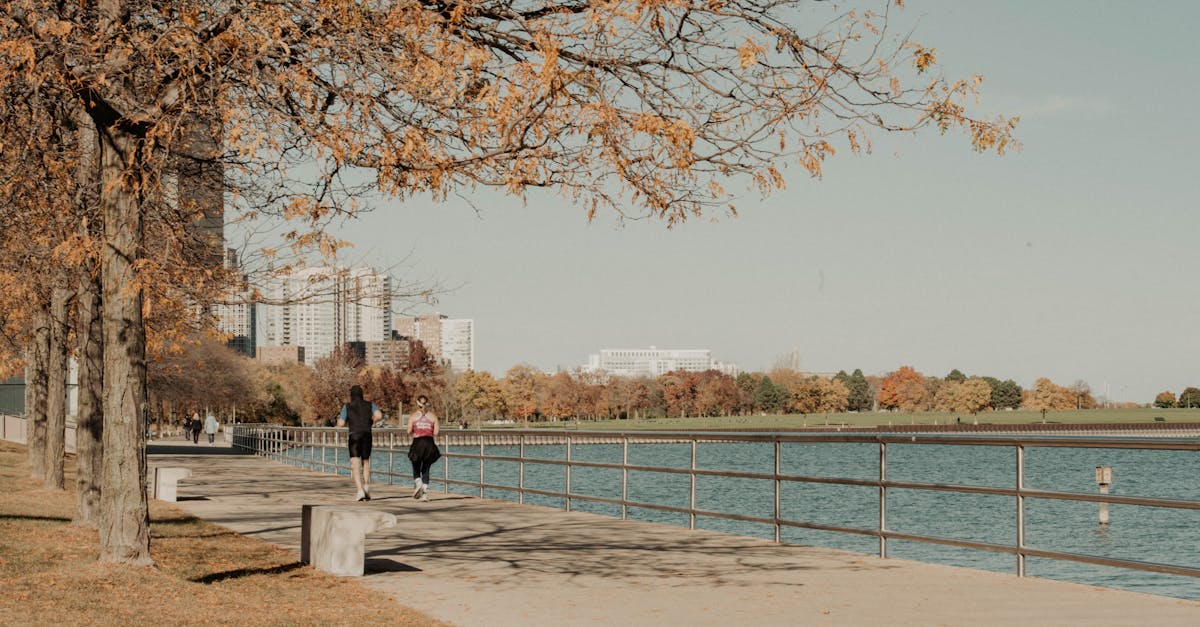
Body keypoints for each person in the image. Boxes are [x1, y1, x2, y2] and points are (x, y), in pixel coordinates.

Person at [337, 385, 382, 501]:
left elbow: (341, 423)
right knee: (365, 461)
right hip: (367, 434)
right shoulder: (369, 404)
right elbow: (379, 415)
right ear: (362, 394)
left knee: (355, 463)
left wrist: (346, 420)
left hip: (354, 436)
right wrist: (372, 420)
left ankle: (360, 490)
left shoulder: (347, 406)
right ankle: (367, 487)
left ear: (351, 395)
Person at [406, 395, 441, 502]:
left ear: (417, 403)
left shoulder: (413, 416)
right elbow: (436, 432)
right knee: (426, 468)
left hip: (418, 442)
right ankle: (425, 493)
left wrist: (415, 432)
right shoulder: (433, 417)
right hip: (429, 443)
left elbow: (408, 431)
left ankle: (418, 483)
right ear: (427, 403)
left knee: (415, 464)